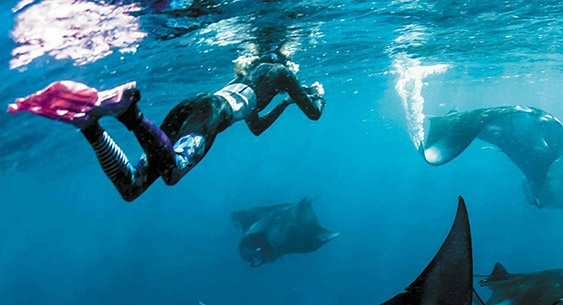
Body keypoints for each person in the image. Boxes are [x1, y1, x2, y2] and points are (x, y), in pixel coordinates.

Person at [7, 52, 325, 201]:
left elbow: (255, 127)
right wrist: (316, 96)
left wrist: (284, 103)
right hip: (212, 114)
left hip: (195, 104)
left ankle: (89, 125)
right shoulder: (283, 72)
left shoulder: (253, 74)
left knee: (132, 188)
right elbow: (314, 114)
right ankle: (129, 112)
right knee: (173, 173)